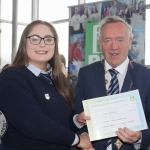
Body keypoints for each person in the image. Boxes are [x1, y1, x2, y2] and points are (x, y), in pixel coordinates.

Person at [0, 20, 95, 150]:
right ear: (24, 43)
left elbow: (60, 120)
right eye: (34, 38)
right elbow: (33, 124)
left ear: (55, 44)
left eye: (48, 39)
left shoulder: (57, 78)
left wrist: (76, 120)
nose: (42, 44)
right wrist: (77, 140)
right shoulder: (12, 77)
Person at [73, 16, 150, 150]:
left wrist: (140, 137)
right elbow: (74, 116)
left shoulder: (146, 76)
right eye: (107, 40)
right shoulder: (86, 74)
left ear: (130, 42)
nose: (114, 47)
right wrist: (79, 123)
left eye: (120, 40)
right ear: (100, 44)